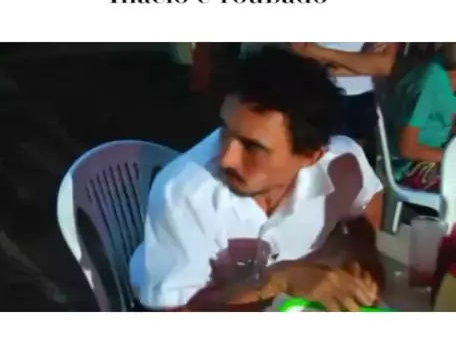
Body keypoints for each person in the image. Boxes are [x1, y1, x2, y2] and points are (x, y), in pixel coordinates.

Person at [130, 48, 385, 312]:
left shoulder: (342, 163)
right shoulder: (184, 194)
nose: (226, 158)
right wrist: (279, 280)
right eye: (226, 130)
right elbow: (177, 312)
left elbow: (367, 199)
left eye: (252, 147)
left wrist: (363, 255)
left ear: (310, 156)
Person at [241, 43, 399, 163]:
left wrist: (316, 52)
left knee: (349, 178)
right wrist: (360, 63)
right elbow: (292, 54)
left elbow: (383, 65)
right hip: (304, 96)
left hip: (359, 103)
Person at [385, 43, 456, 192]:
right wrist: (449, 157)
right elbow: (407, 148)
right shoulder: (431, 81)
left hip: (443, 155)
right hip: (413, 167)